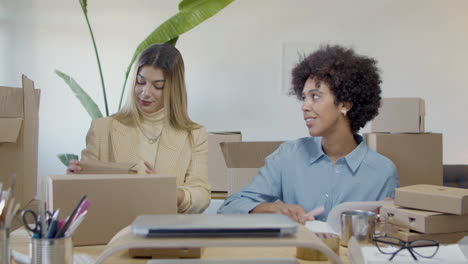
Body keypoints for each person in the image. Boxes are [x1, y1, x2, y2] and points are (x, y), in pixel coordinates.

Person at [218, 45, 399, 223]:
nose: (305, 106)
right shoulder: (288, 156)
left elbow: (389, 233)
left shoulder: (382, 172)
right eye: (304, 98)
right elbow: (230, 207)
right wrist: (274, 208)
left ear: (344, 104)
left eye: (315, 96)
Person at [67, 43, 210, 214]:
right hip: (113, 231)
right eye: (140, 82)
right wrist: (73, 180)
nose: (145, 92)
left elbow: (202, 194)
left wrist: (171, 193)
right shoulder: (103, 128)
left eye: (158, 86)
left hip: (168, 232)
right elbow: (83, 193)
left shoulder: (194, 134)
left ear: (174, 89)